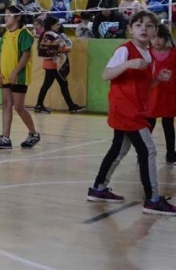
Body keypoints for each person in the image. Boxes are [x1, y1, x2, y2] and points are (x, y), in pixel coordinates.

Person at [87, 11, 176, 215]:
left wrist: (157, 79)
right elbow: (105, 75)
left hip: (133, 109)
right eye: (138, 25)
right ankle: (153, 200)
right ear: (130, 29)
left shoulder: (148, 54)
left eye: (148, 26)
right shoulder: (125, 50)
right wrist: (128, 63)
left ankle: (98, 188)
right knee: (148, 150)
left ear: (155, 31)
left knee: (118, 150)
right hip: (127, 110)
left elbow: (141, 84)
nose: (143, 28)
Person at [0, 6, 41, 149]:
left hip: (19, 76)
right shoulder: (5, 34)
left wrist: (15, 72)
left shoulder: (24, 33)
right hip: (5, 74)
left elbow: (26, 54)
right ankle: (5, 138)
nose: (6, 18)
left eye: (9, 15)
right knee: (6, 104)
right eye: (5, 15)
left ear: (18, 18)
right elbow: (1, 54)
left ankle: (33, 133)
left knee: (18, 106)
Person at [34, 16, 85, 114]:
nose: (59, 26)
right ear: (51, 25)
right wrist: (63, 48)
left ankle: (71, 106)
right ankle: (39, 105)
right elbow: (62, 48)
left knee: (61, 84)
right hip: (52, 64)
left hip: (56, 64)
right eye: (57, 24)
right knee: (49, 84)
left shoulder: (51, 34)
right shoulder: (49, 35)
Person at [147, 24, 176, 165]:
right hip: (152, 94)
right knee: (149, 124)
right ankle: (143, 152)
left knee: (168, 124)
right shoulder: (146, 54)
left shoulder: (173, 53)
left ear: (166, 38)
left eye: (160, 37)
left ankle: (171, 154)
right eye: (153, 37)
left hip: (169, 95)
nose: (157, 40)